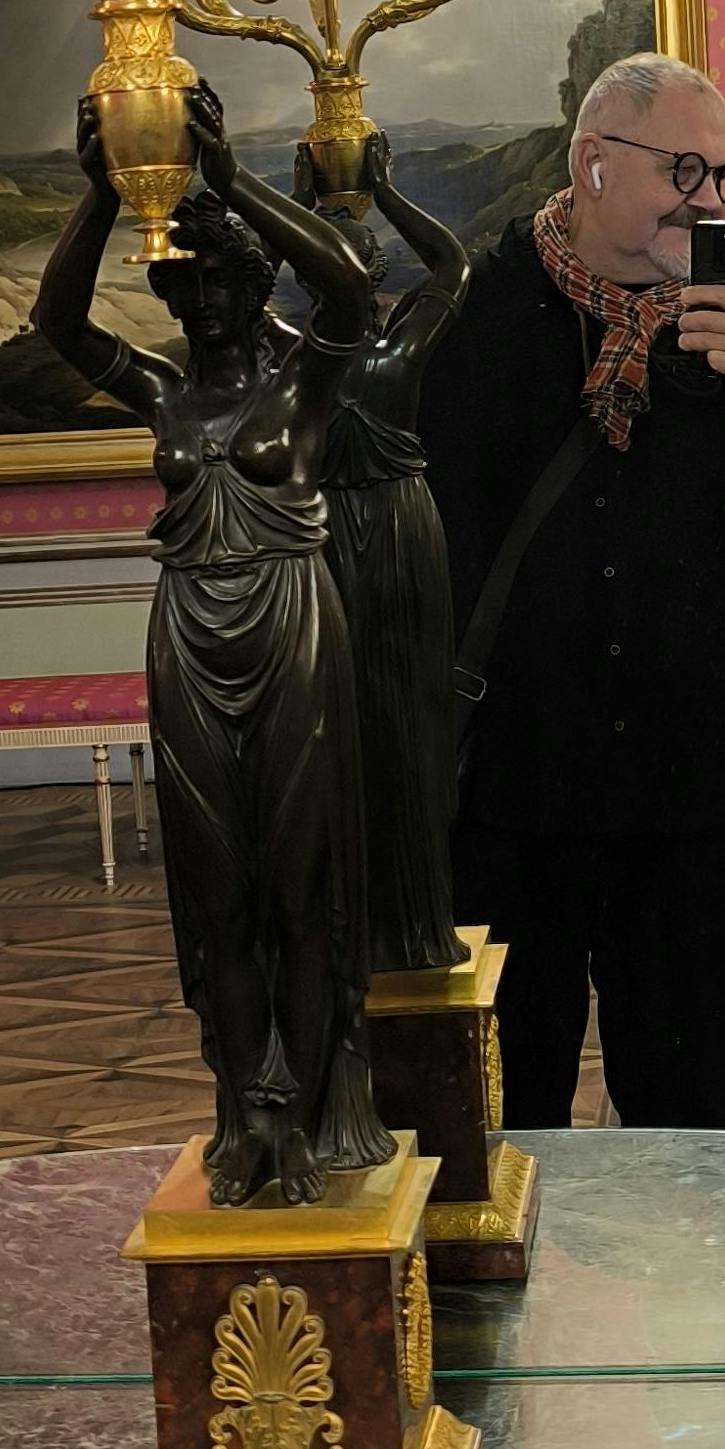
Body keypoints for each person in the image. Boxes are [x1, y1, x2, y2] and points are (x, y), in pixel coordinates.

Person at [416, 50, 725, 1131]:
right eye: (683, 170)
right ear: (593, 165)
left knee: (693, 1123)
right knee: (498, 1122)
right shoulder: (463, 320)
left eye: (724, 174)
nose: (708, 200)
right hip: (502, 809)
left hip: (690, 815)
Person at [40, 82, 391, 1206]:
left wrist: (229, 179)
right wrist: (103, 193)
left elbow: (350, 288)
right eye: (185, 286)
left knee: (300, 886)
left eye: (222, 283)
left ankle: (313, 1111)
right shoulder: (162, 393)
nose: (203, 304)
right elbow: (57, 324)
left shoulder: (306, 379)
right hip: (189, 633)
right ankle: (248, 1111)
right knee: (218, 890)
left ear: (254, 284)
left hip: (293, 626)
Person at [291, 128, 470, 973]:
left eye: (350, 260)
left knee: (411, 718)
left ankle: (419, 920)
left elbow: (452, 268)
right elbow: (449, 267)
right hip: (328, 541)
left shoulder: (392, 348)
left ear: (371, 272)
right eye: (322, 263)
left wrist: (381, 193)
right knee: (337, 721)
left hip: (399, 537)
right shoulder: (298, 358)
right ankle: (358, 925)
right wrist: (311, 207)